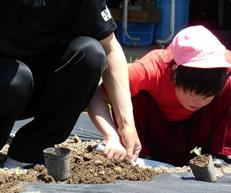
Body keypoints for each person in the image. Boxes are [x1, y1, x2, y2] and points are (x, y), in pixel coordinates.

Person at [88, 25, 231, 166]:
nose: (198, 101)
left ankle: (220, 157)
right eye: (192, 93)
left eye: (208, 96)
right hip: (156, 137)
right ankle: (141, 157)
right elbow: (98, 96)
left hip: (199, 135)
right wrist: (112, 137)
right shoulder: (152, 68)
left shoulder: (219, 61)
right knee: (126, 92)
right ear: (175, 73)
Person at [0, 0, 141, 168]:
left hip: (44, 86)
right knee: (18, 78)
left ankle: (29, 151)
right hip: (7, 84)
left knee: (91, 54)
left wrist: (126, 125)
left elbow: (110, 48)